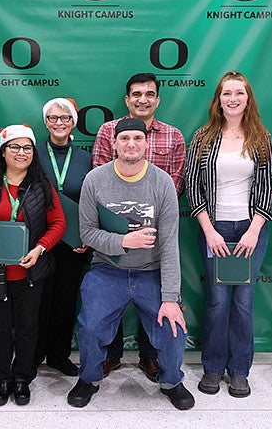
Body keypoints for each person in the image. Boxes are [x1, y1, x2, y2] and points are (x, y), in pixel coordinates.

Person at [68, 118, 194, 411]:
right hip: (107, 271)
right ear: (114, 144)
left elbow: (170, 244)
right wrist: (125, 242)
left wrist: (170, 298)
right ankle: (89, 378)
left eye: (138, 138)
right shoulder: (95, 180)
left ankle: (172, 382)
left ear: (147, 143)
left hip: (152, 272)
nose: (131, 144)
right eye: (124, 139)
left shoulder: (162, 182)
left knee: (174, 328)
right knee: (90, 328)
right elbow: (87, 233)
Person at [0, 124, 66, 407]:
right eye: (14, 147)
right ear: (3, 152)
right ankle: (2, 379)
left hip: (30, 270)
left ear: (33, 152)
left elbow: (58, 223)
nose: (21, 153)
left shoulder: (42, 184)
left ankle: (22, 379)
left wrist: (40, 249)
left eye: (27, 147)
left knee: (29, 328)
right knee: (0, 327)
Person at [185, 71, 272, 398]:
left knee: (244, 303)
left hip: (250, 231)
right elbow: (192, 187)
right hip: (216, 231)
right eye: (226, 93)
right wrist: (209, 230)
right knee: (217, 301)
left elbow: (269, 187)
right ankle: (212, 367)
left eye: (239, 93)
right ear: (218, 99)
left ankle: (239, 370)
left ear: (248, 98)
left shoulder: (261, 137)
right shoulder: (203, 137)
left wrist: (254, 230)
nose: (233, 98)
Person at [91, 72, 186, 381]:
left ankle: (151, 360)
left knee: (154, 301)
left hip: (156, 226)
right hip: (114, 231)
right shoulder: (108, 131)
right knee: (108, 298)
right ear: (127, 99)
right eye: (136, 94)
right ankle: (111, 356)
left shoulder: (174, 136)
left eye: (149, 94)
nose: (142, 99)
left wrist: (149, 206)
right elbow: (100, 179)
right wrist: (123, 231)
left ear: (157, 99)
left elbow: (175, 182)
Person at [34, 98, 92, 376]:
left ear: (73, 123)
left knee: (66, 300)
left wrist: (86, 237)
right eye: (53, 118)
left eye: (65, 118)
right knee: (36, 299)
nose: (59, 123)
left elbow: (91, 201)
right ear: (45, 122)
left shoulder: (84, 157)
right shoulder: (31, 153)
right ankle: (32, 355)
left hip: (72, 243)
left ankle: (58, 355)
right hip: (38, 240)